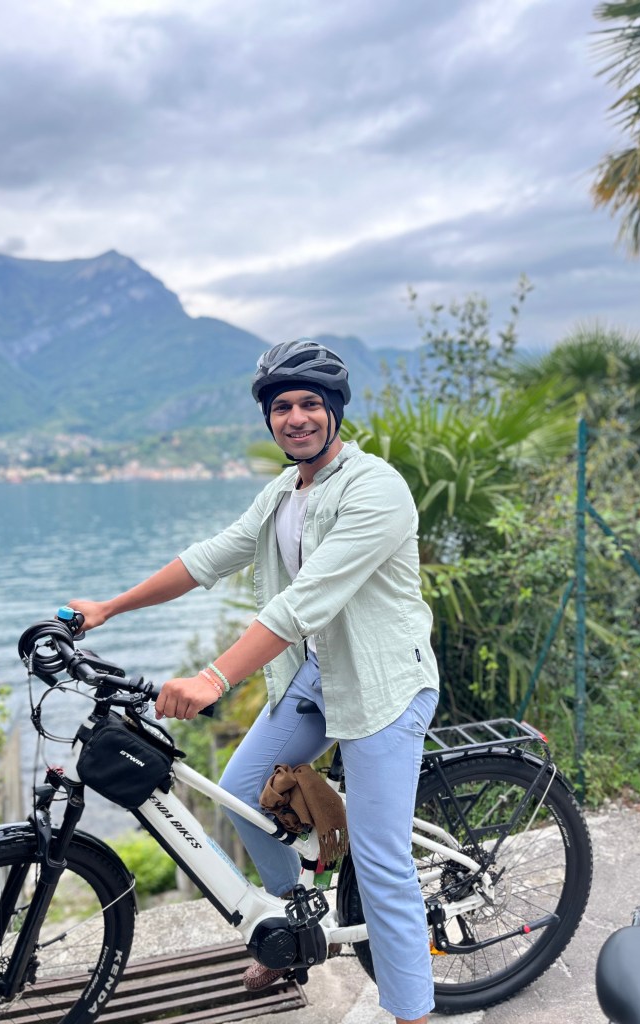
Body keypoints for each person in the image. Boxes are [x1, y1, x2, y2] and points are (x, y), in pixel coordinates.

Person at [65, 339, 440, 1024]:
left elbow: (305, 603)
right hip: (319, 675)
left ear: (334, 410)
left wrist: (214, 677)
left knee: (382, 866)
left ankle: (411, 1014)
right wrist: (109, 608)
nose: (296, 418)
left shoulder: (375, 488)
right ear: (268, 417)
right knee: (242, 796)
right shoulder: (282, 494)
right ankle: (295, 927)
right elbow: (207, 558)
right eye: (282, 406)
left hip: (385, 685)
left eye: (310, 404)